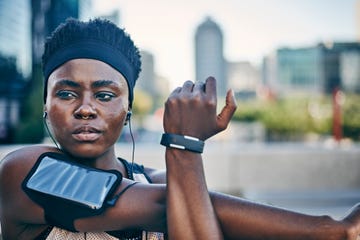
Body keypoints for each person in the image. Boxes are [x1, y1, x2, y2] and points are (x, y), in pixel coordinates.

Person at [1, 18, 360, 240]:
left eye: (105, 94)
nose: (85, 109)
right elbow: (165, 205)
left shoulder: (155, 180)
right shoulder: (23, 172)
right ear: (46, 105)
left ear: (128, 108)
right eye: (66, 93)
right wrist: (183, 144)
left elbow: (188, 204)